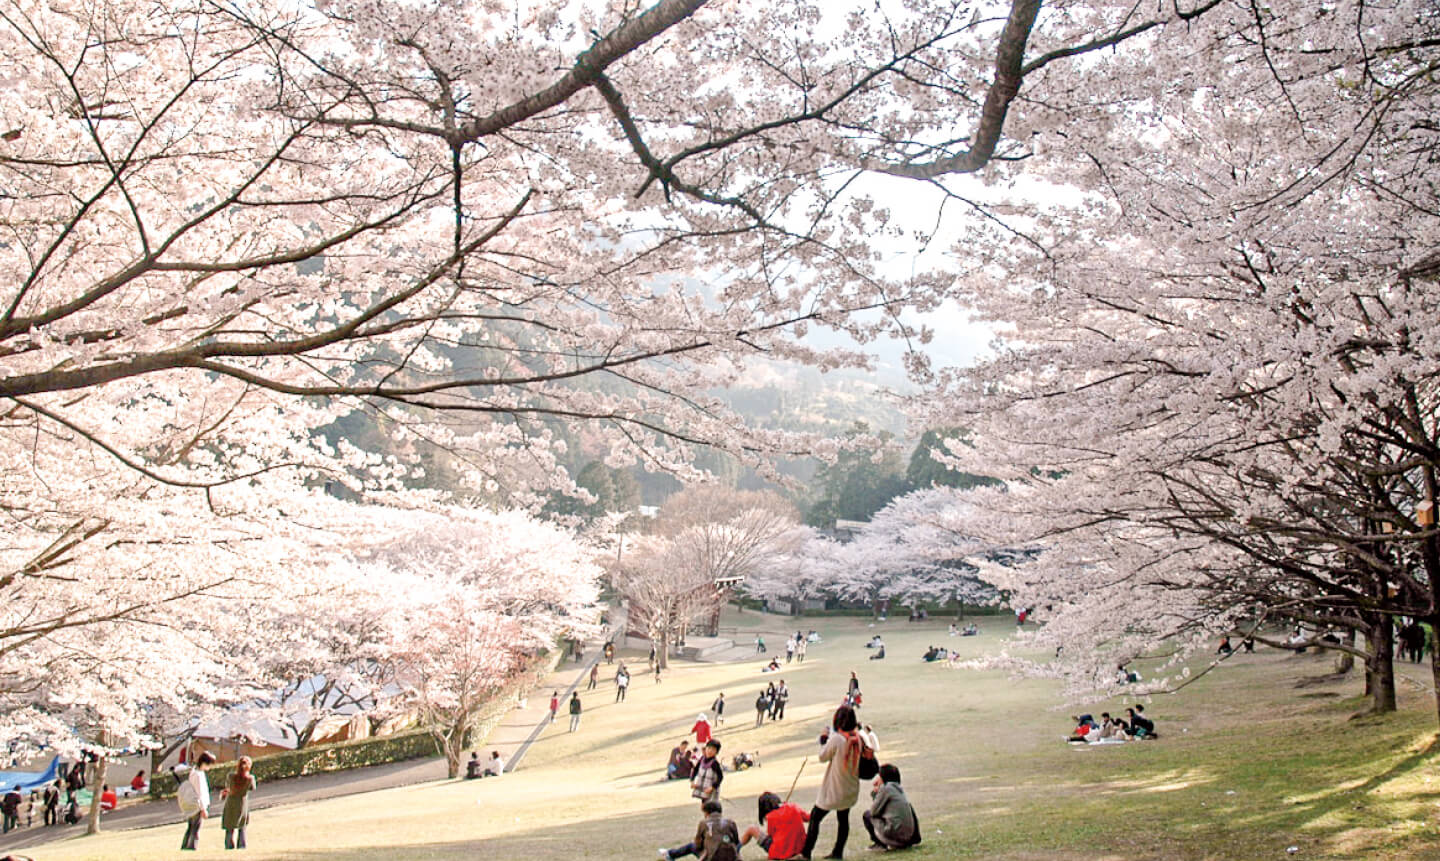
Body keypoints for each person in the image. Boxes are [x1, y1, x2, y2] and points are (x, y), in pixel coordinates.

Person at [802, 704, 865, 860]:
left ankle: (806, 853)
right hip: (850, 789)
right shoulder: (858, 739)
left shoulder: (837, 740)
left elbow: (822, 756)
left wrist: (824, 739)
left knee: (815, 817)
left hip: (834, 791)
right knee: (843, 819)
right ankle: (838, 852)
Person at [658, 799, 741, 861]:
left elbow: (698, 844)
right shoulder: (731, 823)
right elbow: (737, 841)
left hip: (712, 857)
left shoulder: (703, 823)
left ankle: (670, 854)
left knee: (691, 846)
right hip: (731, 856)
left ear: (707, 813)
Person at [863, 764, 920, 850]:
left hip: (895, 838)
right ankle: (915, 838)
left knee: (867, 815)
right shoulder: (898, 789)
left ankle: (879, 844)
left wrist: (875, 793)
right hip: (908, 837)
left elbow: (873, 811)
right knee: (908, 807)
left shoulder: (886, 789)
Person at [740, 791, 810, 860]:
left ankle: (735, 849)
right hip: (800, 849)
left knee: (751, 829)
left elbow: (772, 836)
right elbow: (808, 818)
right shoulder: (794, 807)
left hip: (780, 852)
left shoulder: (771, 817)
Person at [175, 749, 216, 851]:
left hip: (192, 803)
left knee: (190, 827)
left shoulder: (194, 771)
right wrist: (203, 809)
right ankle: (191, 846)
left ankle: (185, 846)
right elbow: (200, 792)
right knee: (195, 828)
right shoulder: (199, 775)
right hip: (197, 804)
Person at [220, 754, 255, 850]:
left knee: (229, 826)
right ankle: (241, 845)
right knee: (242, 826)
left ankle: (229, 846)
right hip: (242, 803)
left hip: (231, 802)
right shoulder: (250, 779)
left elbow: (227, 786)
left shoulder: (231, 776)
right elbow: (253, 788)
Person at [690, 740, 724, 807]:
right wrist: (692, 781)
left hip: (711, 790)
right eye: (709, 748)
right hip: (703, 789)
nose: (710, 751)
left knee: (711, 807)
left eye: (713, 749)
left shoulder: (715, 763)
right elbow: (695, 769)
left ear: (716, 752)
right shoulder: (702, 759)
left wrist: (713, 787)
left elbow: (720, 777)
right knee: (704, 806)